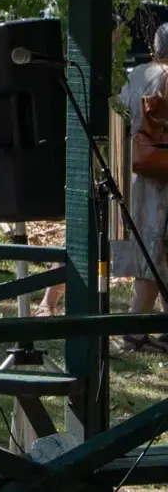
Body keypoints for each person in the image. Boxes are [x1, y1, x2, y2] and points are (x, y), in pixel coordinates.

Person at [115, 23, 168, 351]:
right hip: (162, 173)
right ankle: (134, 333)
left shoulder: (135, 74)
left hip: (135, 168)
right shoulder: (166, 76)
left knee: (156, 250)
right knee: (154, 252)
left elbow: (120, 116)